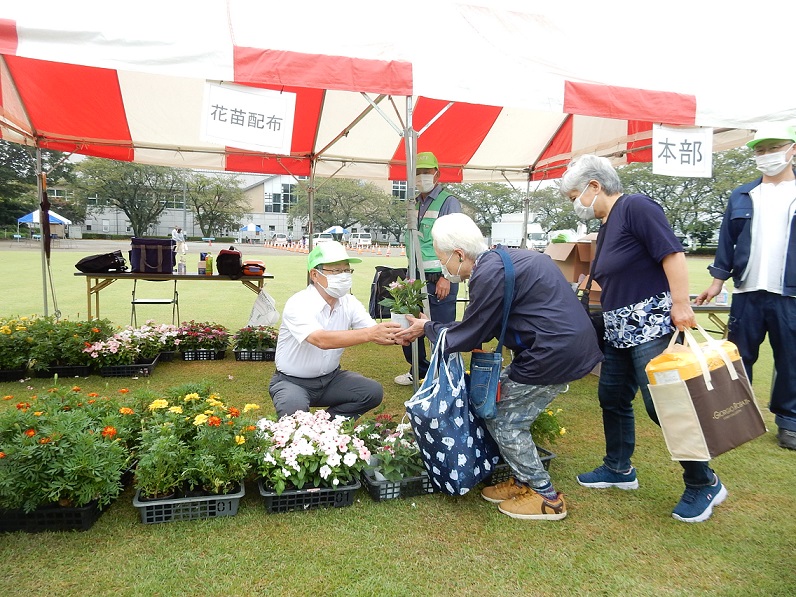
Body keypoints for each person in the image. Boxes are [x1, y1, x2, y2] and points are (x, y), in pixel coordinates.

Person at [395, 213, 602, 521]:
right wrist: (431, 326)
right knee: (503, 407)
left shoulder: (487, 273)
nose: (443, 268)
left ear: (459, 254)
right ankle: (521, 481)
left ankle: (546, 497)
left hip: (552, 353)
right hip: (563, 348)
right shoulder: (510, 258)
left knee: (505, 419)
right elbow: (481, 324)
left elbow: (475, 332)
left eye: (442, 260)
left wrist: (428, 329)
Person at [560, 154, 727, 523]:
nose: (576, 205)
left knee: (664, 404)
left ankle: (704, 481)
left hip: (651, 325)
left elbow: (672, 254)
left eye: (575, 196)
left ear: (594, 186)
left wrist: (681, 304)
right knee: (612, 397)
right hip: (620, 328)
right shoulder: (606, 225)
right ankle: (618, 468)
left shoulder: (636, 206)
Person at [695, 124, 796, 451]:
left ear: (792, 149)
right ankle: (738, 414)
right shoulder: (742, 195)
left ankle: (789, 422)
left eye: (773, 148)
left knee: (791, 359)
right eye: (760, 150)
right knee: (738, 357)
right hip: (747, 292)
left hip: (790, 294)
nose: (766, 156)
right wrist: (716, 282)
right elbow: (727, 241)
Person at [269, 241, 402, 420]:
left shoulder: (349, 302)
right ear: (315, 275)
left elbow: (372, 329)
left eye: (347, 270)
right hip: (291, 382)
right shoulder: (298, 303)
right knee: (294, 413)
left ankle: (327, 428)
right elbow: (321, 340)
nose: (344, 276)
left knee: (371, 392)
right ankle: (304, 435)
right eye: (336, 271)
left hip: (331, 379)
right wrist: (371, 334)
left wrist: (402, 333)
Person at [394, 151, 462, 386]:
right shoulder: (414, 203)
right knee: (411, 324)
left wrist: (446, 277)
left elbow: (455, 240)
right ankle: (420, 370)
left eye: (426, 172)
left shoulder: (448, 201)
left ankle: (444, 376)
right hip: (416, 277)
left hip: (440, 277)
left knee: (441, 329)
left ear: (436, 174)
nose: (422, 177)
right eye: (417, 173)